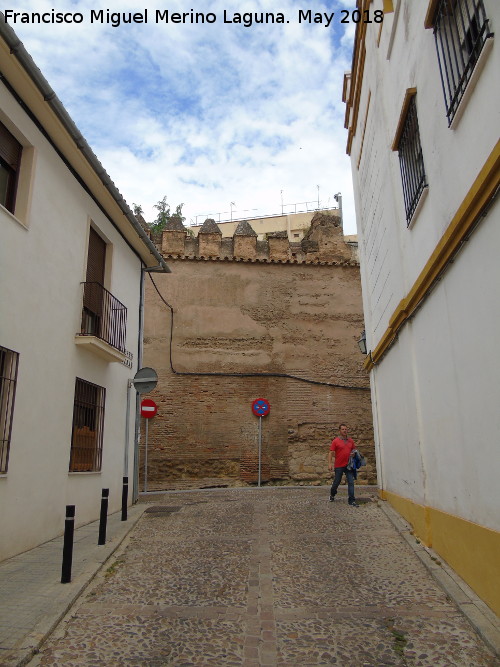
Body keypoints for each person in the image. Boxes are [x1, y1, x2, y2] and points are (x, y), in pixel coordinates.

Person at [328, 423, 359, 507]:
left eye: (346, 429)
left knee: (351, 482)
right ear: (339, 431)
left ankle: (351, 500)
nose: (345, 431)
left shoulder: (350, 441)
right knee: (336, 482)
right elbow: (331, 453)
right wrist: (330, 464)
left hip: (348, 465)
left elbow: (354, 450)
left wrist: (353, 453)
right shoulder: (336, 441)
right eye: (343, 429)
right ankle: (332, 494)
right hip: (339, 465)